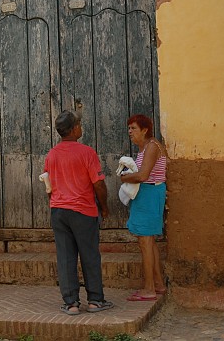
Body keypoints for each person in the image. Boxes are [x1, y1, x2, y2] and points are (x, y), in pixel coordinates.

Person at [44, 110, 114, 315]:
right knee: (90, 254)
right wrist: (104, 207)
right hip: (83, 210)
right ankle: (95, 301)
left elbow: (48, 184)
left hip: (59, 211)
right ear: (74, 129)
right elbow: (99, 184)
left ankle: (71, 303)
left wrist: (56, 204)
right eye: (80, 124)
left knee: (65, 257)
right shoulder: (86, 153)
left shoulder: (52, 154)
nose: (81, 127)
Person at [120, 114, 167, 301]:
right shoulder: (146, 148)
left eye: (134, 128)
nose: (130, 132)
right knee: (148, 242)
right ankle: (158, 284)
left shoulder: (151, 147)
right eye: (129, 128)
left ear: (145, 130)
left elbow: (143, 176)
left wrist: (124, 177)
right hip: (147, 196)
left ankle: (149, 289)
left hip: (149, 195)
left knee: (145, 243)